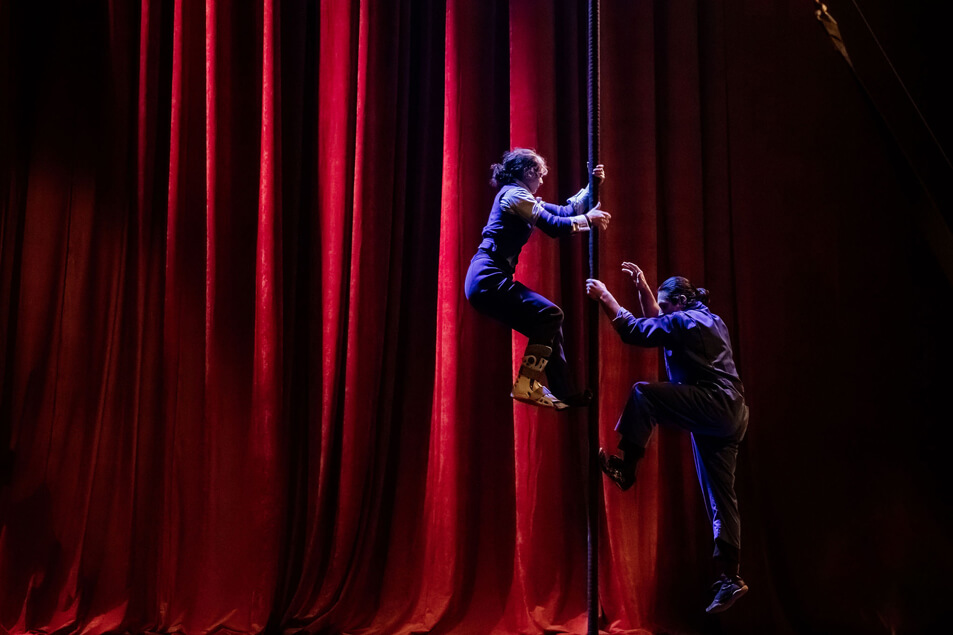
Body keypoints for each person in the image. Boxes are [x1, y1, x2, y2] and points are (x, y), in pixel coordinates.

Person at [585, 263, 750, 614]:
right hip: (732, 414)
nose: (661, 310)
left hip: (714, 404)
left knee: (645, 395)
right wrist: (643, 287)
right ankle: (730, 577)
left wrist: (605, 297)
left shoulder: (686, 321)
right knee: (722, 497)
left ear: (678, 301)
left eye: (664, 303)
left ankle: (626, 468)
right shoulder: (707, 319)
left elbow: (635, 330)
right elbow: (660, 319)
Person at [465, 148, 611, 410]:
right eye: (540, 175)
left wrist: (592, 186)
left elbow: (566, 211)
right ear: (528, 172)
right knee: (551, 315)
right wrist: (588, 219)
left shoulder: (520, 197)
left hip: (487, 281)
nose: (542, 181)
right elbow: (555, 226)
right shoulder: (514, 195)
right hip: (487, 278)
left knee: (546, 325)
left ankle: (564, 392)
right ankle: (527, 383)